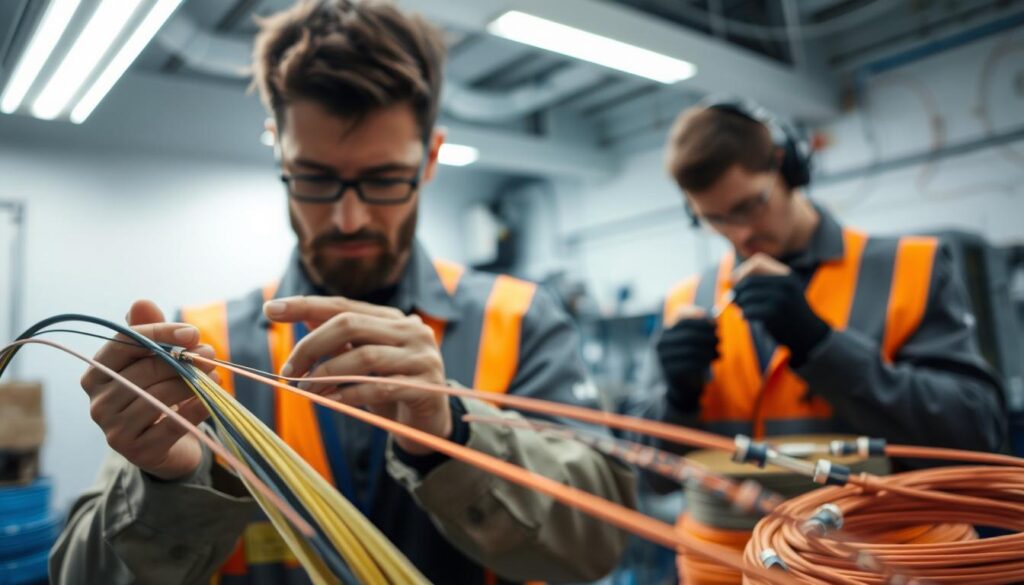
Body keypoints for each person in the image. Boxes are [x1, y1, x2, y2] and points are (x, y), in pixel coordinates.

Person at [49, 2, 635, 583]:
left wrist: (452, 433)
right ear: (278, 148)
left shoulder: (521, 319)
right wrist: (164, 484)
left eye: (383, 180)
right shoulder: (206, 346)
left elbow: (601, 544)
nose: (349, 218)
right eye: (316, 179)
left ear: (430, 159)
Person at [641, 98, 1005, 487]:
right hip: (727, 546)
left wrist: (821, 346)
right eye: (714, 218)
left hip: (870, 545)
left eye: (750, 206)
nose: (740, 233)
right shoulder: (686, 301)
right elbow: (649, 478)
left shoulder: (909, 268)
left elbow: (977, 436)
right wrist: (677, 402)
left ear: (786, 167)